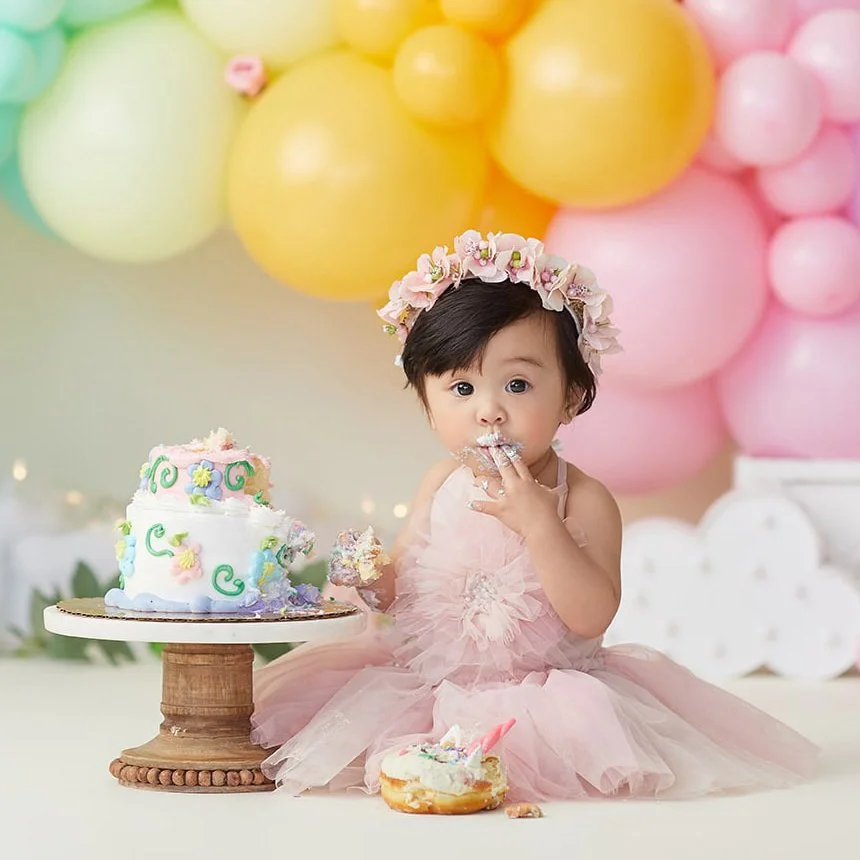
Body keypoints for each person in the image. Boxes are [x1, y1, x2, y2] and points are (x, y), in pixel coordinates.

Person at [252, 230, 817, 800]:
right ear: (428, 406)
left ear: (571, 397)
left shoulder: (584, 499)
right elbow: (400, 598)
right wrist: (372, 578)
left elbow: (592, 614)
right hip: (427, 691)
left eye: (517, 384)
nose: (489, 411)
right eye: (462, 388)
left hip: (545, 698)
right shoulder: (442, 484)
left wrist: (542, 525)